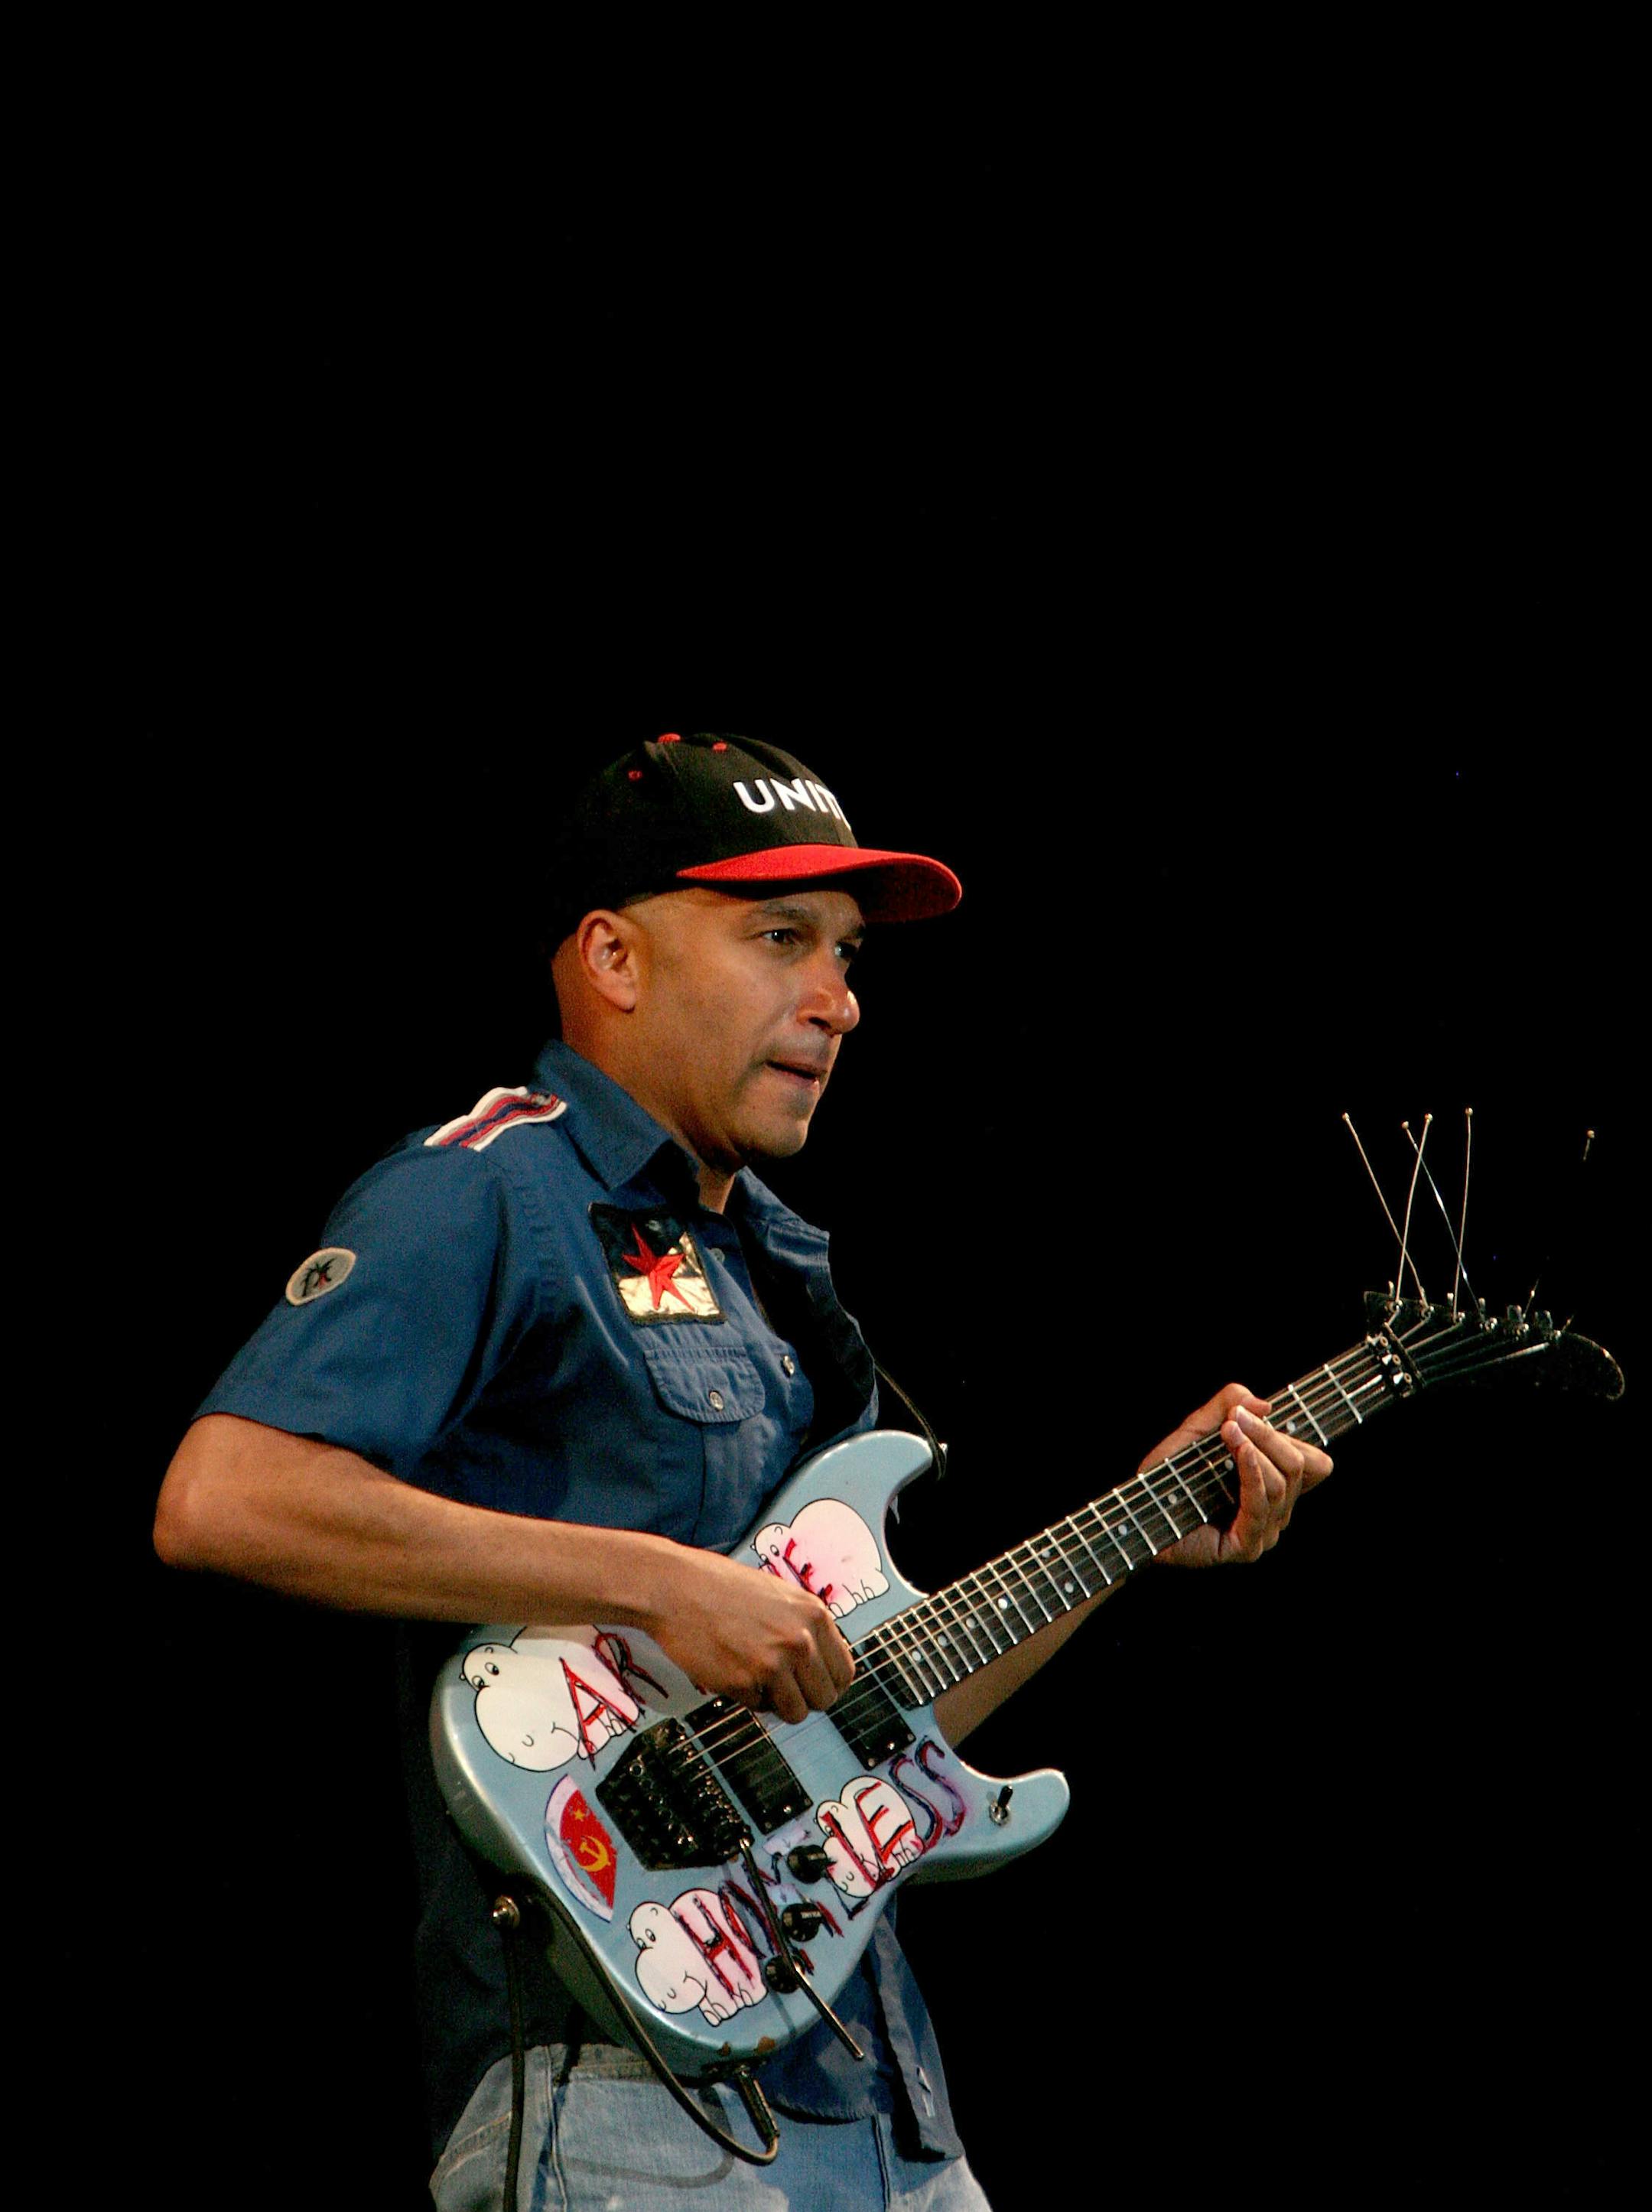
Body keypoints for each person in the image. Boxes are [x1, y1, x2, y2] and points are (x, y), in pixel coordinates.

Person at [154, 732, 1332, 2210]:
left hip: (878, 2085)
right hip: (616, 2098)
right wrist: (660, 1583)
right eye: (780, 938)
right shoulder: (483, 1190)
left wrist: (1130, 1543)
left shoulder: (771, 1264)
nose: (837, 1001)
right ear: (614, 959)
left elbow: (854, 1717)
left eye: (844, 955)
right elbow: (224, 1497)